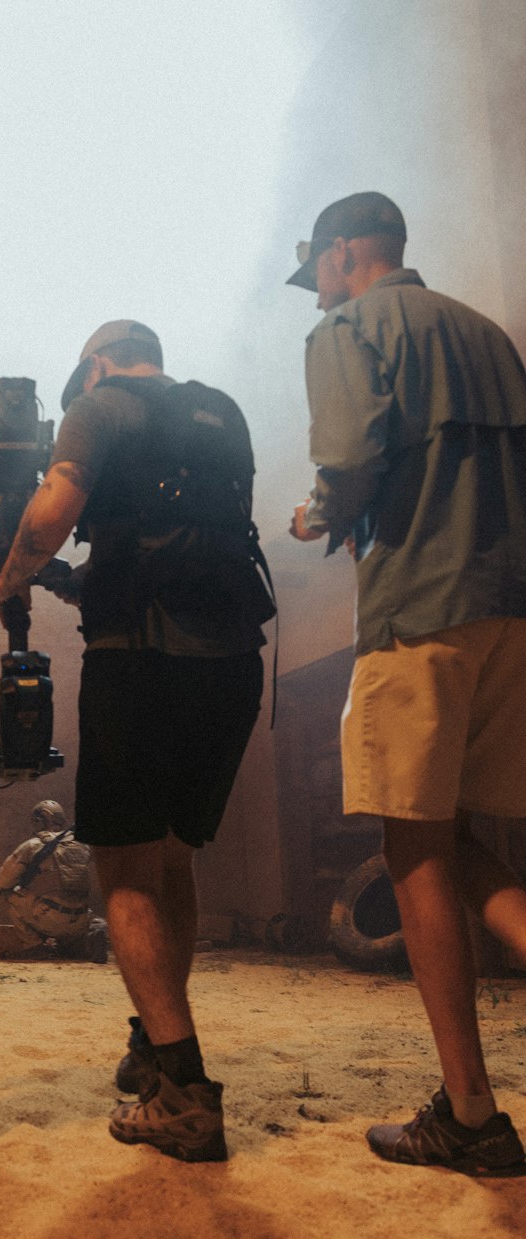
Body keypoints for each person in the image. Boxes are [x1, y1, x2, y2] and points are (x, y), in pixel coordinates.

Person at [287, 191, 526, 1176]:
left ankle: (470, 1114)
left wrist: (315, 516)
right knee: (460, 836)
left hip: (418, 606)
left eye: (317, 278)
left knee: (410, 847)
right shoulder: (487, 333)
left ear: (342, 254)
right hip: (508, 605)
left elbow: (346, 462)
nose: (316, 299)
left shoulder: (351, 327)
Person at [0, 320, 268, 1162]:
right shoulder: (221, 411)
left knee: (120, 867)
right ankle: (155, 1041)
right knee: (174, 858)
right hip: (232, 663)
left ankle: (183, 1093)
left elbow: (55, 507)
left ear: (99, 363)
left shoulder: (101, 405)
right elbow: (179, 550)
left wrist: (13, 576)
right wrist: (83, 582)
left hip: (139, 663)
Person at [0, 799, 108, 961]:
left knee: (9, 894)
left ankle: (34, 945)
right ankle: (77, 940)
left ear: (40, 820)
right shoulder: (82, 844)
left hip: (50, 917)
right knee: (73, 910)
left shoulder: (32, 845)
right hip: (80, 917)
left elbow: (3, 881)